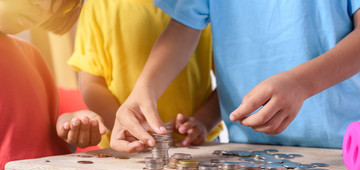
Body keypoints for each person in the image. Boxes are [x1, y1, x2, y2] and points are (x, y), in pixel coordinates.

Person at [109, 0, 360, 153]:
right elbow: (182, 27)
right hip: (248, 150)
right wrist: (144, 89)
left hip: (344, 148)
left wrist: (301, 84)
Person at [0, 0, 106, 170]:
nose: (45, 9)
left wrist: (68, 124)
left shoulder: (32, 55)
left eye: (60, 6)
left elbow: (41, 140)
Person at [68, 0, 222, 151]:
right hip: (124, 146)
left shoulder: (201, 5)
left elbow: (228, 84)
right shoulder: (98, 6)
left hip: (197, 145)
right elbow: (91, 84)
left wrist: (203, 121)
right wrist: (124, 124)